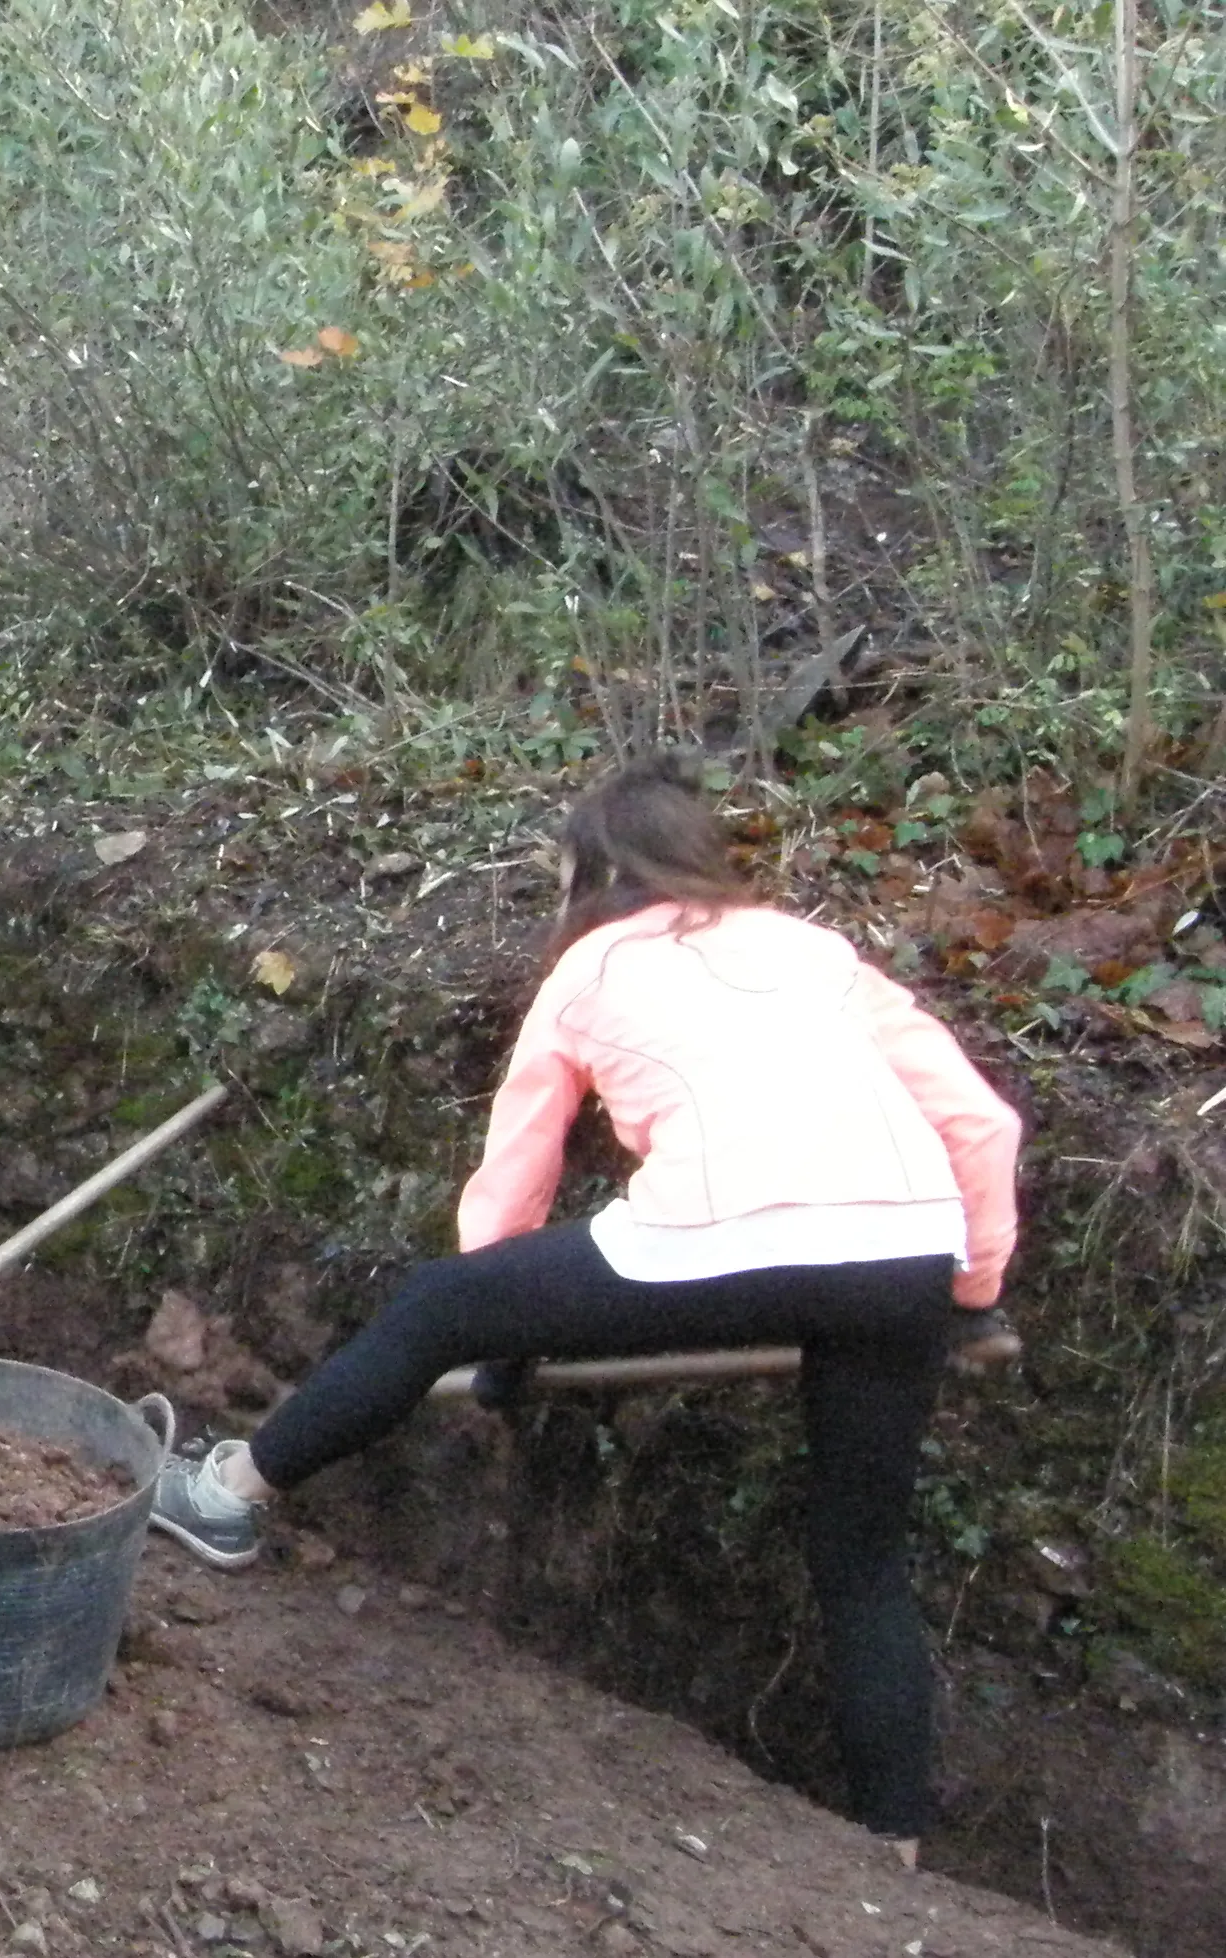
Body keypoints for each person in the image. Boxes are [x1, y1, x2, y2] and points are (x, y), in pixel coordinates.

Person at [146, 752, 1023, 1867]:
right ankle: (894, 1848)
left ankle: (228, 1492)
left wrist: (495, 1323)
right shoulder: (816, 952)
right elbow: (982, 1126)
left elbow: (517, 1178)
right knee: (862, 1557)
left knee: (434, 1300)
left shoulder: (592, 966)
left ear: (594, 869)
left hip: (719, 1231)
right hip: (904, 1253)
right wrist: (971, 1293)